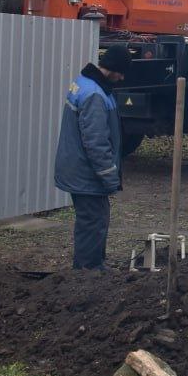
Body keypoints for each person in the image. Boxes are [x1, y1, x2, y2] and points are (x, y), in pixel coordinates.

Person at [54, 44, 132, 270]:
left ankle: (94, 265)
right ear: (115, 69)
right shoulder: (95, 95)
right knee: (93, 221)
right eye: (122, 72)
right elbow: (96, 143)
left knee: (95, 219)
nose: (123, 77)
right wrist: (110, 178)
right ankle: (88, 273)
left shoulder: (84, 83)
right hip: (86, 174)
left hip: (79, 169)